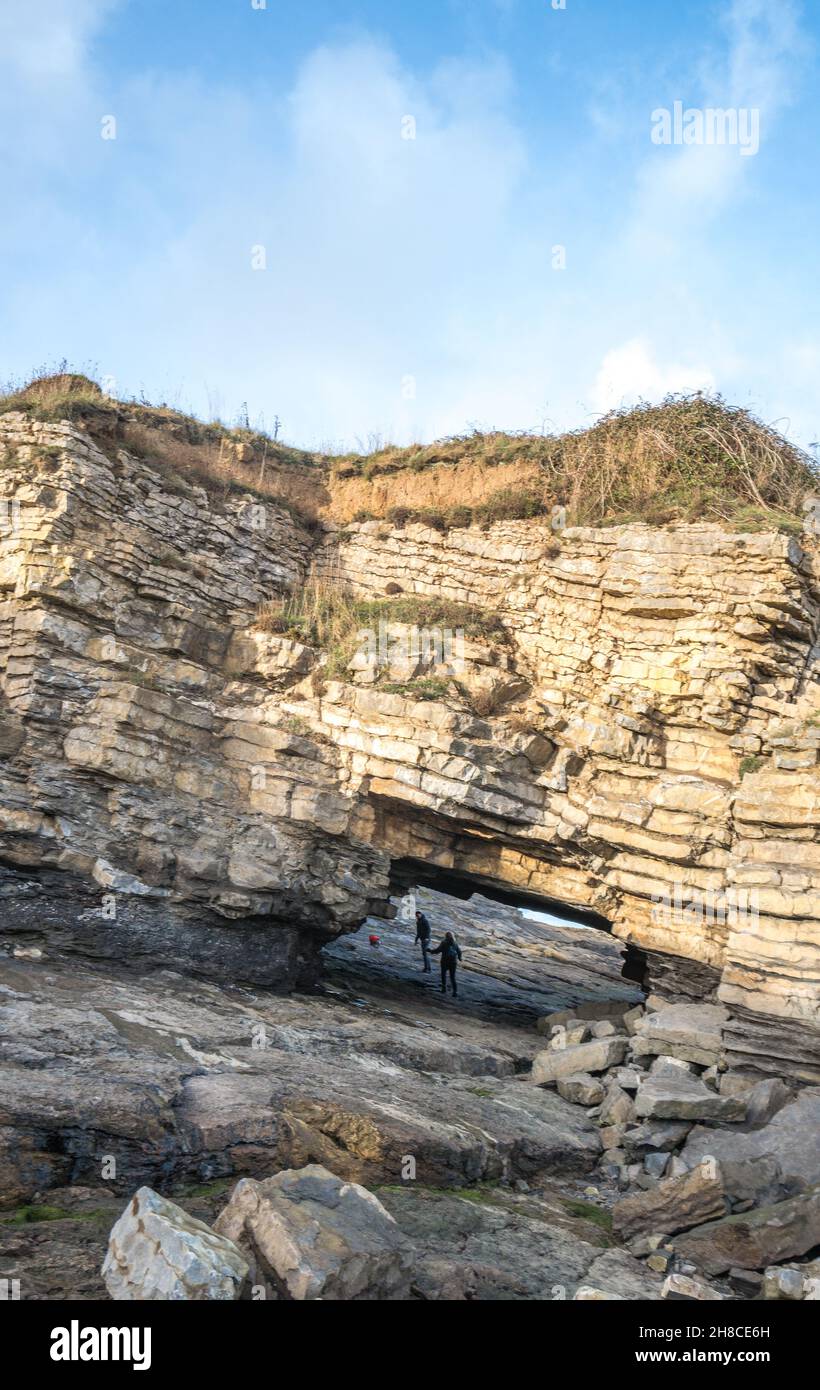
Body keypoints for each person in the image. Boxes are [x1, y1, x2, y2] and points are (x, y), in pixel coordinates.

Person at [431, 931, 462, 997]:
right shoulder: (455, 943)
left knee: (443, 975)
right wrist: (459, 958)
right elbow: (459, 951)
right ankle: (455, 992)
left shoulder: (444, 943)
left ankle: (444, 989)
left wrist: (430, 951)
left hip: (445, 961)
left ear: (445, 936)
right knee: (452, 977)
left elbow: (438, 950)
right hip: (453, 962)